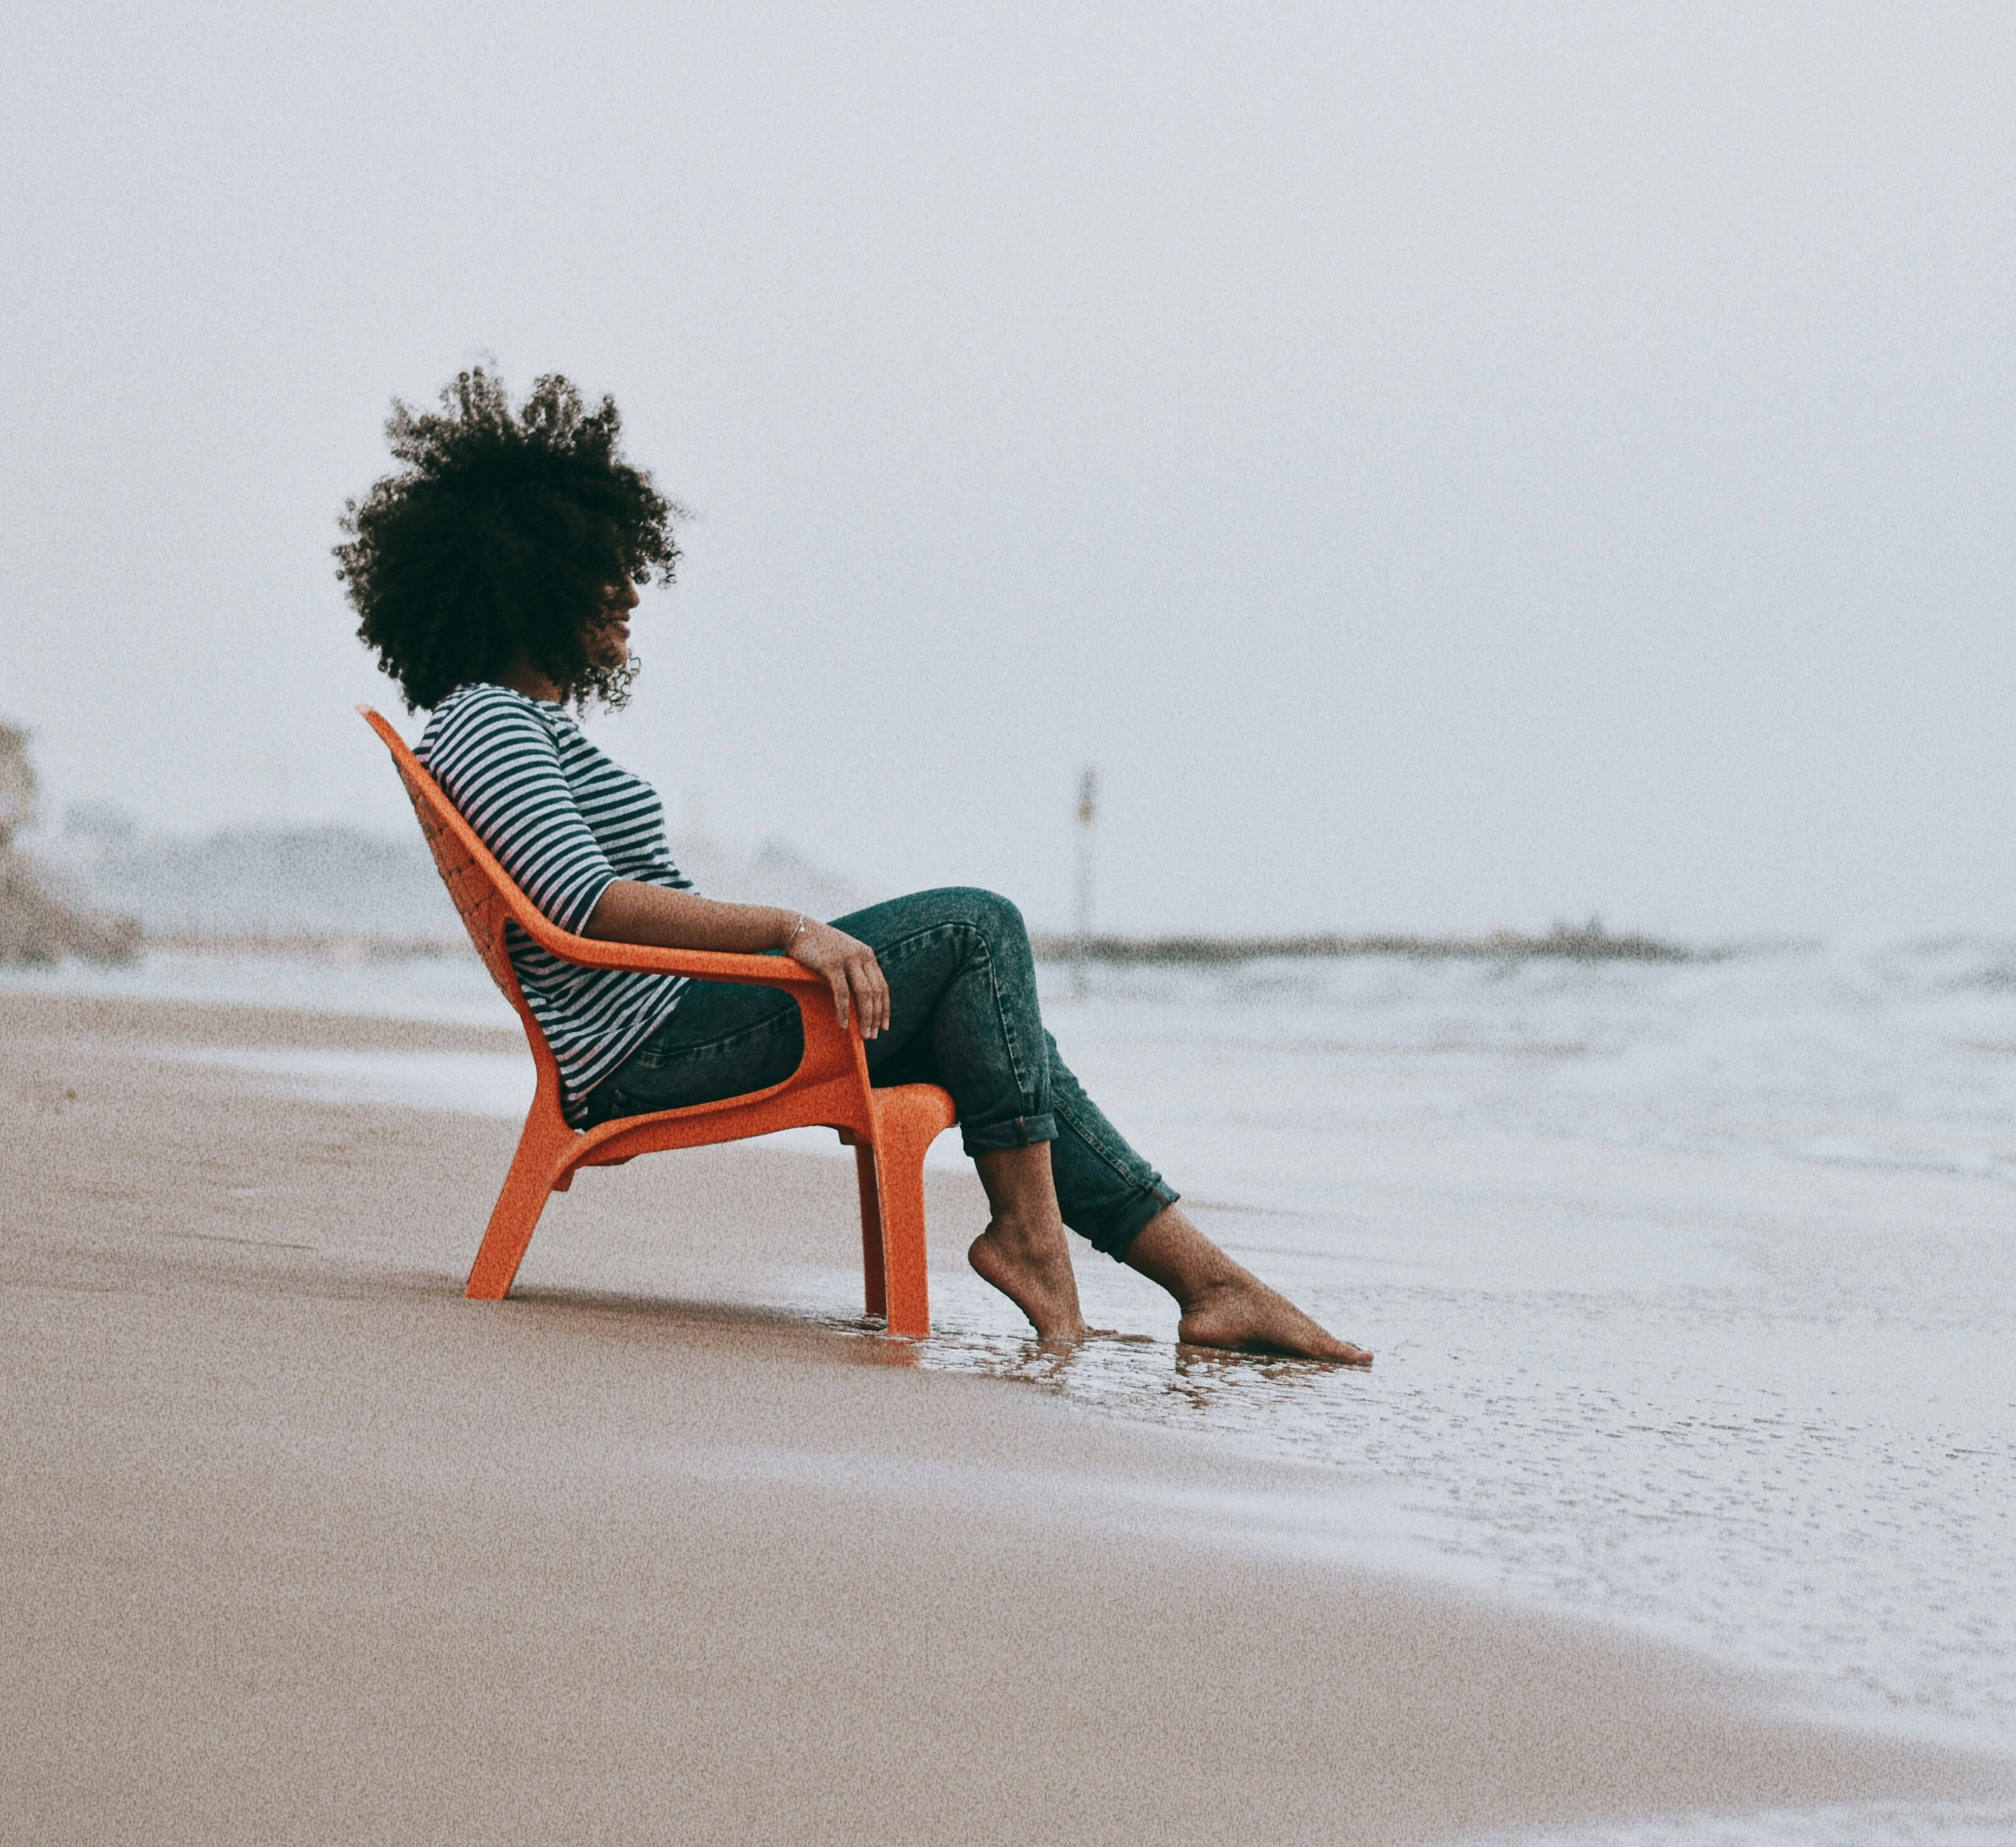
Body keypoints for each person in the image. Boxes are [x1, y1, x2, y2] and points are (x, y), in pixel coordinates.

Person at [335, 367, 1369, 1364]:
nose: (632, 592)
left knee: (996, 1018)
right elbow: (585, 907)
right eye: (606, 565)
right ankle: (1049, 1243)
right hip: (650, 1044)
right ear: (532, 572)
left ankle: (1204, 1284)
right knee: (978, 926)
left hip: (683, 1021)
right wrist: (791, 929)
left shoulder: (520, 725)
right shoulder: (487, 720)